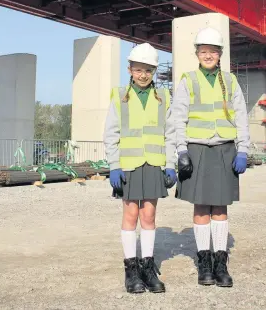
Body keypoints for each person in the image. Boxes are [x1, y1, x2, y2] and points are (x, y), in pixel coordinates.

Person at [170, 27, 250, 287]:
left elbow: (241, 118)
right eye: (203, 51)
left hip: (225, 149)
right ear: (197, 54)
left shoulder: (230, 81)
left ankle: (220, 262)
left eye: (212, 52)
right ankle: (204, 263)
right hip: (197, 149)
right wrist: (180, 150)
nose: (208, 56)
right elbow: (177, 118)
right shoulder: (188, 80)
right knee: (201, 206)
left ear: (220, 54)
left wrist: (243, 149)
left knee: (221, 207)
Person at [103, 43, 177, 294]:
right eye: (138, 69)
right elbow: (111, 133)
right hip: (129, 166)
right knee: (130, 216)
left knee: (149, 217)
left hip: (154, 164)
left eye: (148, 70)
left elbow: (170, 133)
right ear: (129, 69)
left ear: (155, 70)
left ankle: (147, 266)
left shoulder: (163, 97)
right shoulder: (120, 95)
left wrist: (170, 164)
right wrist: (114, 165)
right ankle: (131, 270)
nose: (143, 74)